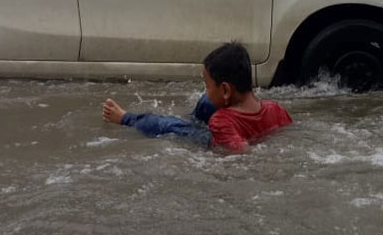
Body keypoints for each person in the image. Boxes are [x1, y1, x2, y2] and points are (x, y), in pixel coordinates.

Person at [102, 42, 293, 153]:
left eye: (208, 85)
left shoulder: (221, 121)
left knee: (163, 123)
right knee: (205, 103)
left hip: (208, 138)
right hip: (241, 124)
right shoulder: (276, 109)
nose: (206, 89)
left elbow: (240, 151)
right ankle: (192, 118)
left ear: (226, 90)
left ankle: (125, 118)